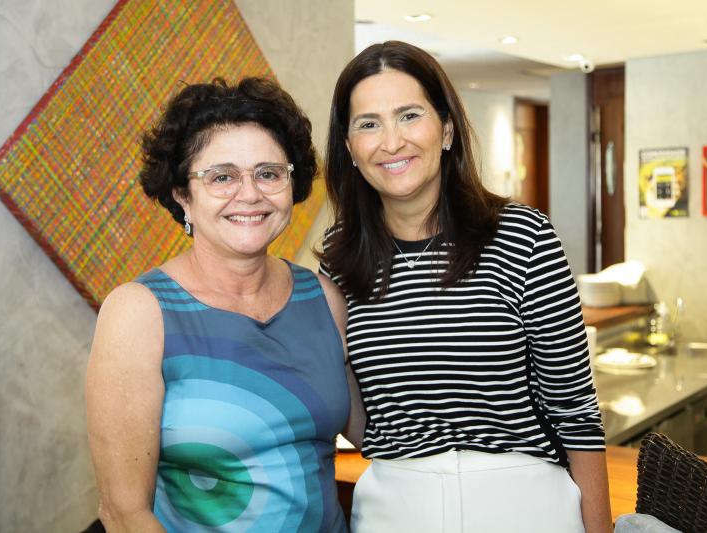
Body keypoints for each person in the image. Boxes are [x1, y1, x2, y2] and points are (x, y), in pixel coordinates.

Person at [319, 41, 612, 533]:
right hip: (395, 507)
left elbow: (576, 410)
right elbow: (354, 407)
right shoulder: (339, 254)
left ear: (447, 129)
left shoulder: (524, 236)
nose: (392, 141)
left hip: (525, 504)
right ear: (349, 147)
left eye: (409, 115)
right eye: (368, 124)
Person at [86, 77, 363, 532]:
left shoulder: (323, 298)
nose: (250, 194)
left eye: (268, 173)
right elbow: (123, 513)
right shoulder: (139, 313)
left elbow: (380, 433)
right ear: (182, 195)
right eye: (222, 177)